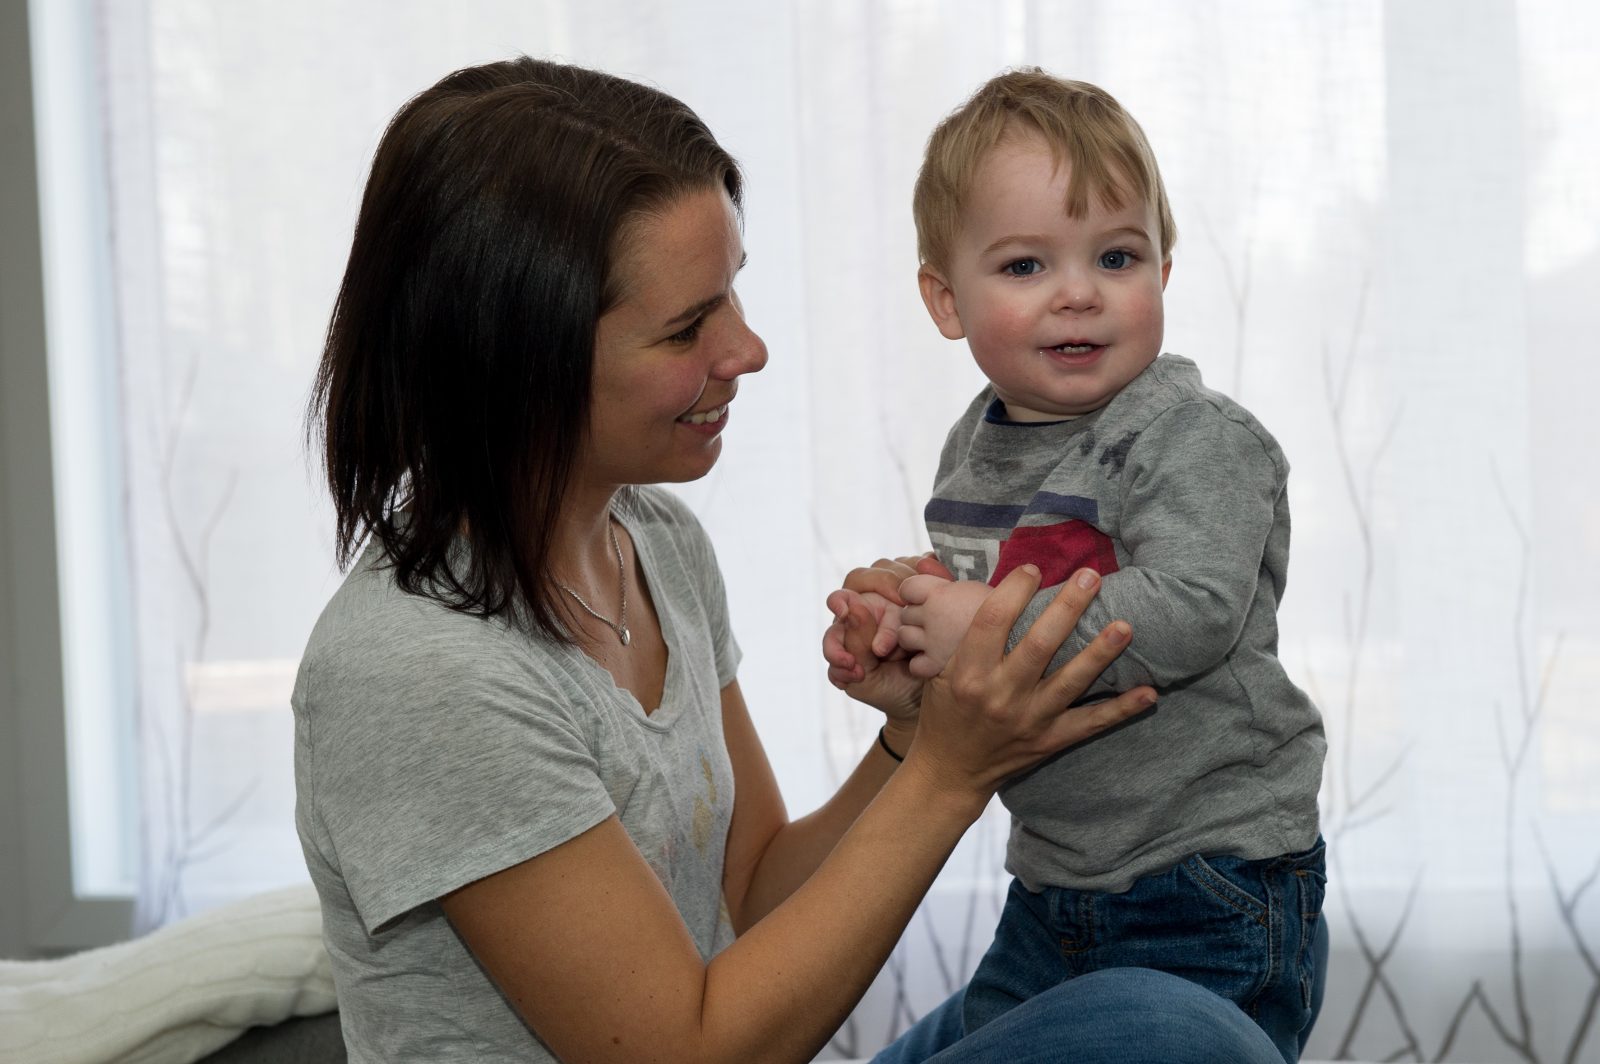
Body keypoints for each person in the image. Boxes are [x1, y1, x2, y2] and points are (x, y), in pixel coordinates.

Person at [295, 55, 1289, 1064]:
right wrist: (951, 770)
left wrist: (914, 730)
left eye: (730, 294)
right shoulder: (418, 670)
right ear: (518, 356)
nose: (748, 347)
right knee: (1177, 1037)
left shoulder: (656, 543)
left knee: (1169, 1027)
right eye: (690, 325)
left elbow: (756, 891)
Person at [823, 69, 1329, 1063]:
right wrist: (909, 631)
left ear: (1163, 272)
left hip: (1205, 875)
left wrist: (986, 624)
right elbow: (996, 649)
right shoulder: (975, 448)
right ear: (944, 299)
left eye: (1115, 254)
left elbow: (1190, 607)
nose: (1078, 292)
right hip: (1052, 881)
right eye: (1023, 266)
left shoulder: (1193, 437)